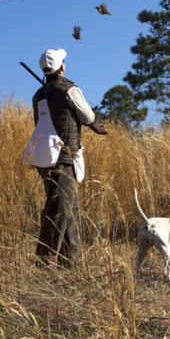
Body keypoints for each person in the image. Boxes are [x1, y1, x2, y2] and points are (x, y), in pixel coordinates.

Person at [31, 48, 106, 266]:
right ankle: (43, 262)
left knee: (68, 209)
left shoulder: (38, 95)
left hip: (44, 158)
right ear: (62, 67)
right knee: (59, 210)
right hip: (64, 158)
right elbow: (88, 116)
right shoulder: (69, 90)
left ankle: (70, 263)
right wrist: (95, 125)